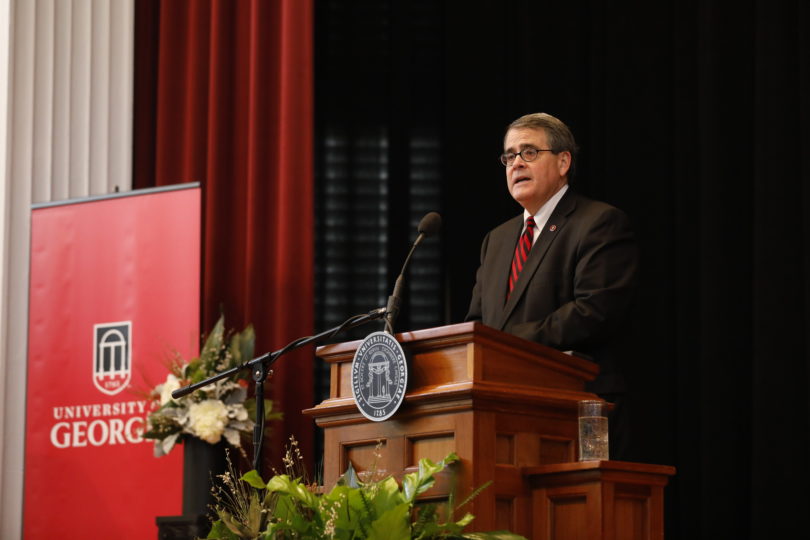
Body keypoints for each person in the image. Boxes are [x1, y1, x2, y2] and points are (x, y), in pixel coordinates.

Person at [465, 112, 638, 459]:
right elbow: (477, 325)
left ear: (563, 162)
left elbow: (594, 312)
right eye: (509, 155)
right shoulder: (496, 240)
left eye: (529, 152)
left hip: (576, 407)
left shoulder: (598, 222)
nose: (516, 164)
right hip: (502, 411)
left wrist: (508, 345)